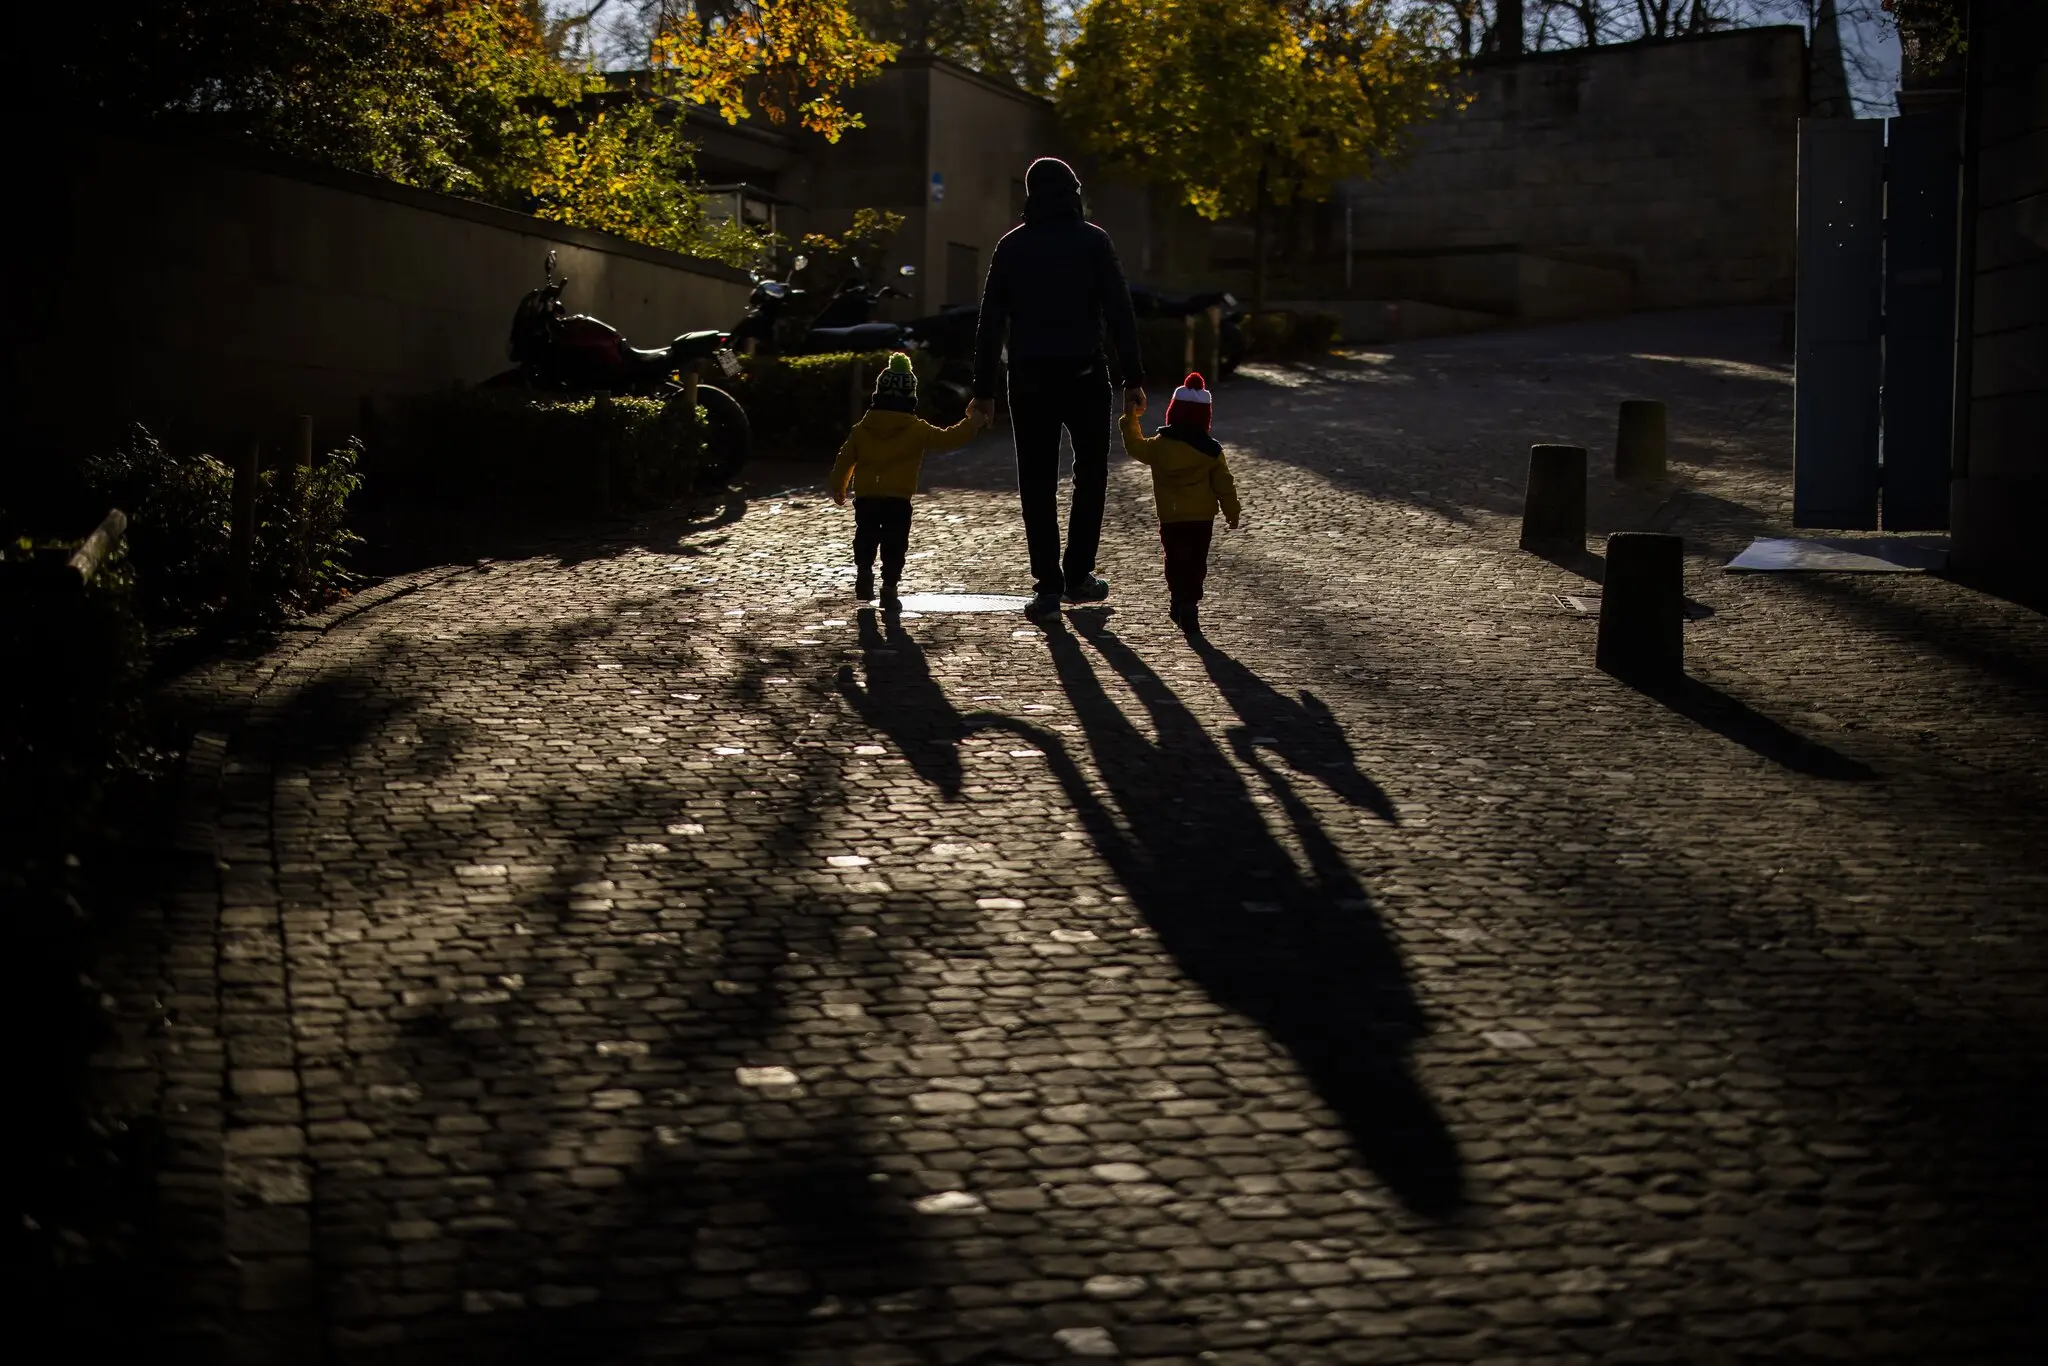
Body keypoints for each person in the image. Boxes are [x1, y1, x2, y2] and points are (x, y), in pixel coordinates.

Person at [968, 156, 1145, 621]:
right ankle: (1078, 575)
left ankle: (1047, 587)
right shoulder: (1093, 242)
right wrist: (1134, 378)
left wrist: (983, 389)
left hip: (1028, 381)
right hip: (1086, 378)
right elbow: (1120, 312)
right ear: (1073, 193)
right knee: (1091, 477)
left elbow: (991, 323)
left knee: (1036, 482)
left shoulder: (1011, 247)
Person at [829, 353, 987, 610]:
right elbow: (948, 438)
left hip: (867, 494)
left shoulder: (861, 429)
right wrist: (972, 423)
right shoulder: (916, 429)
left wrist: (840, 485)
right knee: (895, 543)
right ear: (911, 398)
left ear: (877, 396)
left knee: (865, 534)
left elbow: (845, 459)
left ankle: (864, 571)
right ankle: (889, 587)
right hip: (898, 498)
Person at [1119, 372, 1241, 634]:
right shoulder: (1212, 450)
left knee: (1174, 559)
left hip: (1171, 517)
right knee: (1196, 562)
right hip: (1201, 518)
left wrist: (1131, 418)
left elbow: (1135, 446)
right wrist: (1232, 512)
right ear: (1205, 417)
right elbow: (1224, 484)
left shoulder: (1160, 446)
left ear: (1173, 412)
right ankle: (1190, 604)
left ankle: (1177, 598)